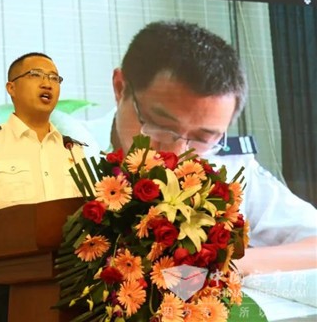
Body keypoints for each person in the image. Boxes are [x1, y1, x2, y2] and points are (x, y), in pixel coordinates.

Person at [108, 20, 317, 277]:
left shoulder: (231, 168)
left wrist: (223, 262)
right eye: (160, 125)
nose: (177, 152)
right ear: (120, 88)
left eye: (201, 137)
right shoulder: (72, 153)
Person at [0, 52, 86, 321]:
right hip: (8, 279)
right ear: (11, 87)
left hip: (72, 278)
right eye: (36, 75)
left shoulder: (73, 149)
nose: (47, 83)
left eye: (54, 78)